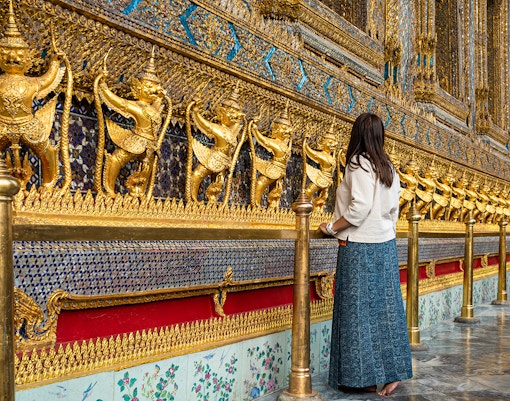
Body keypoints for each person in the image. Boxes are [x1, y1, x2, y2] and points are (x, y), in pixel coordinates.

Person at [319, 112, 413, 396]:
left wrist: (332, 227)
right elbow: (394, 211)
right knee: (386, 312)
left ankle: (361, 378)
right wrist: (383, 231)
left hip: (358, 246)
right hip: (385, 245)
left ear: (357, 134)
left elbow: (359, 209)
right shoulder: (388, 167)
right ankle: (391, 373)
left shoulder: (358, 163)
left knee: (356, 313)